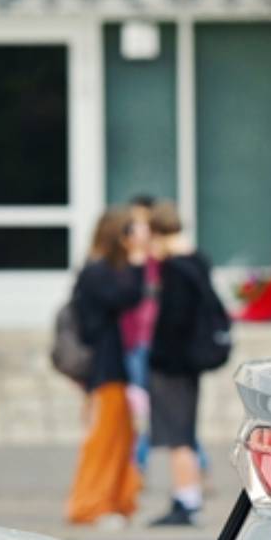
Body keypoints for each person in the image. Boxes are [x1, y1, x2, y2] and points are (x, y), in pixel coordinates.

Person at [63, 208, 147, 527]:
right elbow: (127, 297)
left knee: (121, 437)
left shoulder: (101, 269)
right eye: (134, 231)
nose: (141, 237)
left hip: (111, 367)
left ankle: (115, 501)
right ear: (120, 236)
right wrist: (137, 262)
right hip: (102, 369)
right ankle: (89, 506)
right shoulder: (96, 271)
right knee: (104, 440)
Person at [145, 200, 214, 528]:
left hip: (173, 365)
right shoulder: (198, 260)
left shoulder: (174, 269)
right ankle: (187, 496)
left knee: (178, 437)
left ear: (157, 232)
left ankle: (187, 500)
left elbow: (173, 322)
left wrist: (157, 357)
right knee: (185, 431)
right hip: (193, 363)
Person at [118, 194, 161, 471]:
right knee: (139, 408)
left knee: (163, 406)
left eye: (144, 222)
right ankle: (137, 466)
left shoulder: (158, 261)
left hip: (156, 341)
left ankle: (199, 464)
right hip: (133, 341)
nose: (139, 229)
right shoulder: (126, 261)